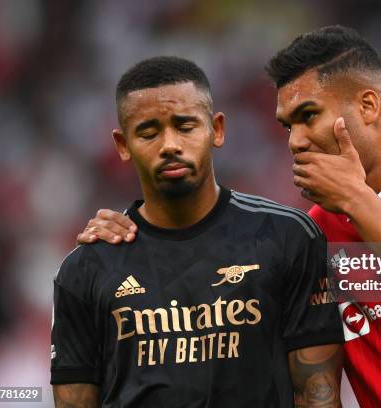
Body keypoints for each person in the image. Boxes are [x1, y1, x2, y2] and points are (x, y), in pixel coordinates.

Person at [77, 28, 381, 407]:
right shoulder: (311, 235)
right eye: (286, 125)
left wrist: (357, 199)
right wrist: (135, 241)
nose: (294, 141)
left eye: (309, 115)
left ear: (367, 104)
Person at [51, 56, 344, 408]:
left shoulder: (287, 238)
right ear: (122, 145)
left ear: (216, 129)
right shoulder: (86, 269)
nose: (170, 145)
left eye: (185, 126)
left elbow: (318, 397)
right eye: (148, 132)